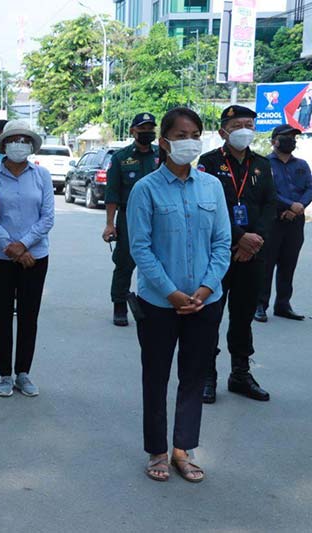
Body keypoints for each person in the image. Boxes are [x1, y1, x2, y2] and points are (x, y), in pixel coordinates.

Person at [128, 107, 231, 483]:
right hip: (159, 303)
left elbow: (222, 242)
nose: (190, 142)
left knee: (194, 376)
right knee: (156, 377)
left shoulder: (212, 186)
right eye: (181, 135)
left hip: (206, 302)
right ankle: (157, 449)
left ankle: (183, 449)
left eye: (195, 135)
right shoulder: (145, 189)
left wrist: (205, 289)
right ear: (164, 141)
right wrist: (172, 293)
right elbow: (141, 248)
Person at [198, 105, 276, 404]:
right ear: (223, 131)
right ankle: (207, 374)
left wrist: (254, 241)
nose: (245, 130)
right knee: (211, 315)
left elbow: (269, 205)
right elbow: (206, 205)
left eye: (249, 125)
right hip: (219, 252)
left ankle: (240, 374)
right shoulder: (209, 162)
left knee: (243, 316)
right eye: (238, 125)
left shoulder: (262, 164)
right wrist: (239, 238)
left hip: (252, 254)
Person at [0, 119, 54, 398]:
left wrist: (23, 246)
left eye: (25, 140)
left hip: (35, 257)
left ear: (31, 146)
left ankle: (23, 372)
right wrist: (12, 248)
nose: (19, 145)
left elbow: (47, 217)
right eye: (14, 139)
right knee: (1, 316)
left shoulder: (42, 176)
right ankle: (4, 374)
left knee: (28, 316)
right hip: (2, 258)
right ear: (4, 144)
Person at [103, 112, 159, 326]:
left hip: (158, 216)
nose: (147, 132)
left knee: (158, 259)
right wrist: (110, 224)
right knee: (125, 261)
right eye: (142, 128)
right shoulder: (120, 158)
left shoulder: (162, 154)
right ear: (132, 131)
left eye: (150, 128)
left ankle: (155, 304)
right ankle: (119, 304)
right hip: (130, 217)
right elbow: (112, 193)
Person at [257, 124, 312, 322]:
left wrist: (299, 206)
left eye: (293, 137)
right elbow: (267, 191)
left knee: (289, 264)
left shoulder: (302, 164)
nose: (291, 141)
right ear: (274, 141)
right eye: (286, 137)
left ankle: (283, 304)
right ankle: (260, 305)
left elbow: (310, 188)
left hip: (295, 222)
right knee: (266, 264)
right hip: (273, 221)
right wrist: (290, 205)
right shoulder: (263, 163)